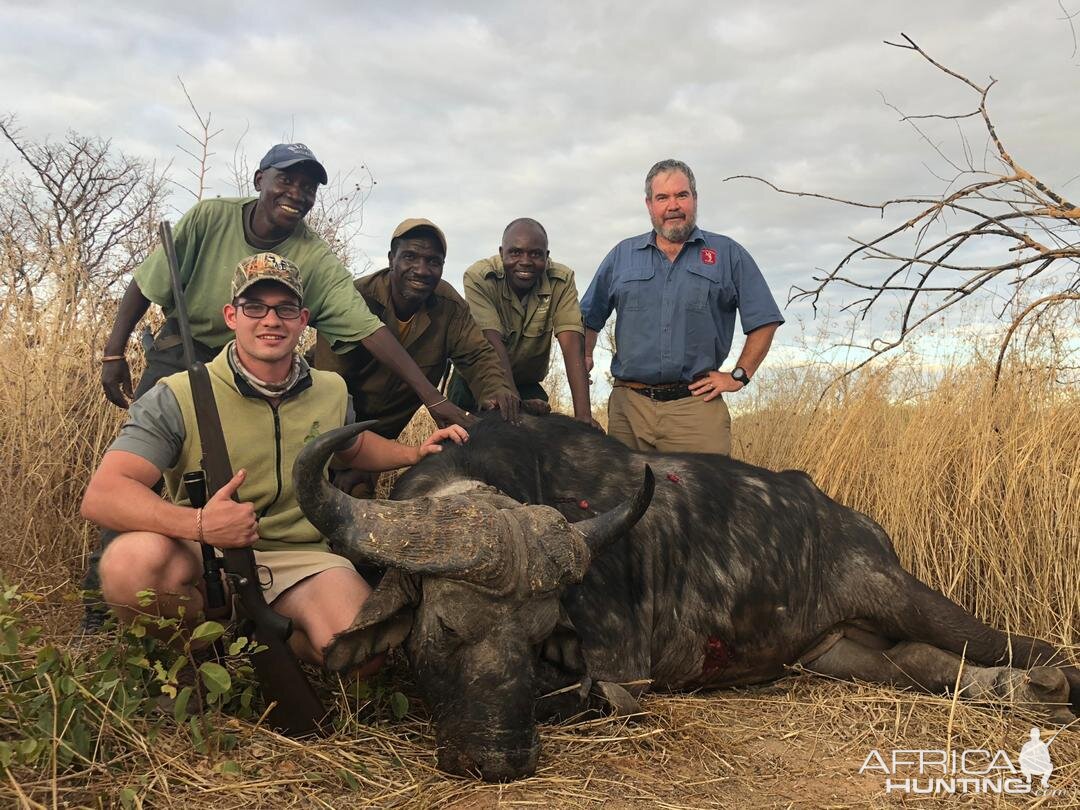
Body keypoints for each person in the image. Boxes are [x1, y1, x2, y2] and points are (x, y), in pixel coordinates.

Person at [85, 144, 469, 628]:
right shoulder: (208, 219)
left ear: (303, 320)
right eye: (286, 180)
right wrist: (114, 352)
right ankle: (101, 604)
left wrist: (429, 412)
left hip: (269, 370)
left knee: (357, 637)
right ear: (260, 179)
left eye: (307, 186)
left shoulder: (324, 367)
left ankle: (275, 611)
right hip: (183, 350)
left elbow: (368, 337)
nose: (296, 193)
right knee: (137, 499)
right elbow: (148, 282)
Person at [580, 159, 784, 455]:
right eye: (662, 198)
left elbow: (764, 319)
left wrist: (739, 375)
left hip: (696, 409)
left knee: (706, 500)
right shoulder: (622, 255)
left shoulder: (727, 253)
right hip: (629, 410)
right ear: (649, 205)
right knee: (627, 498)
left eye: (681, 195)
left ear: (695, 199)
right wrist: (584, 356)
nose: (673, 205)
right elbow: (588, 317)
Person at [314, 218, 519, 444]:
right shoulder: (355, 299)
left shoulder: (450, 307)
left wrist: (497, 391)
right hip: (329, 430)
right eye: (410, 257)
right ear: (392, 259)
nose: (422, 270)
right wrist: (352, 454)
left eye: (433, 261)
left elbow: (478, 356)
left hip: (384, 435)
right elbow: (329, 389)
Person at [448, 218, 592, 423]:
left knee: (539, 438)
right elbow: (491, 341)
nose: (525, 261)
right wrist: (516, 406)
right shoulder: (479, 277)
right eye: (515, 252)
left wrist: (584, 417)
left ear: (547, 256)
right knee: (469, 441)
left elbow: (571, 343)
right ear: (501, 253)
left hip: (526, 382)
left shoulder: (562, 279)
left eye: (535, 254)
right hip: (477, 380)